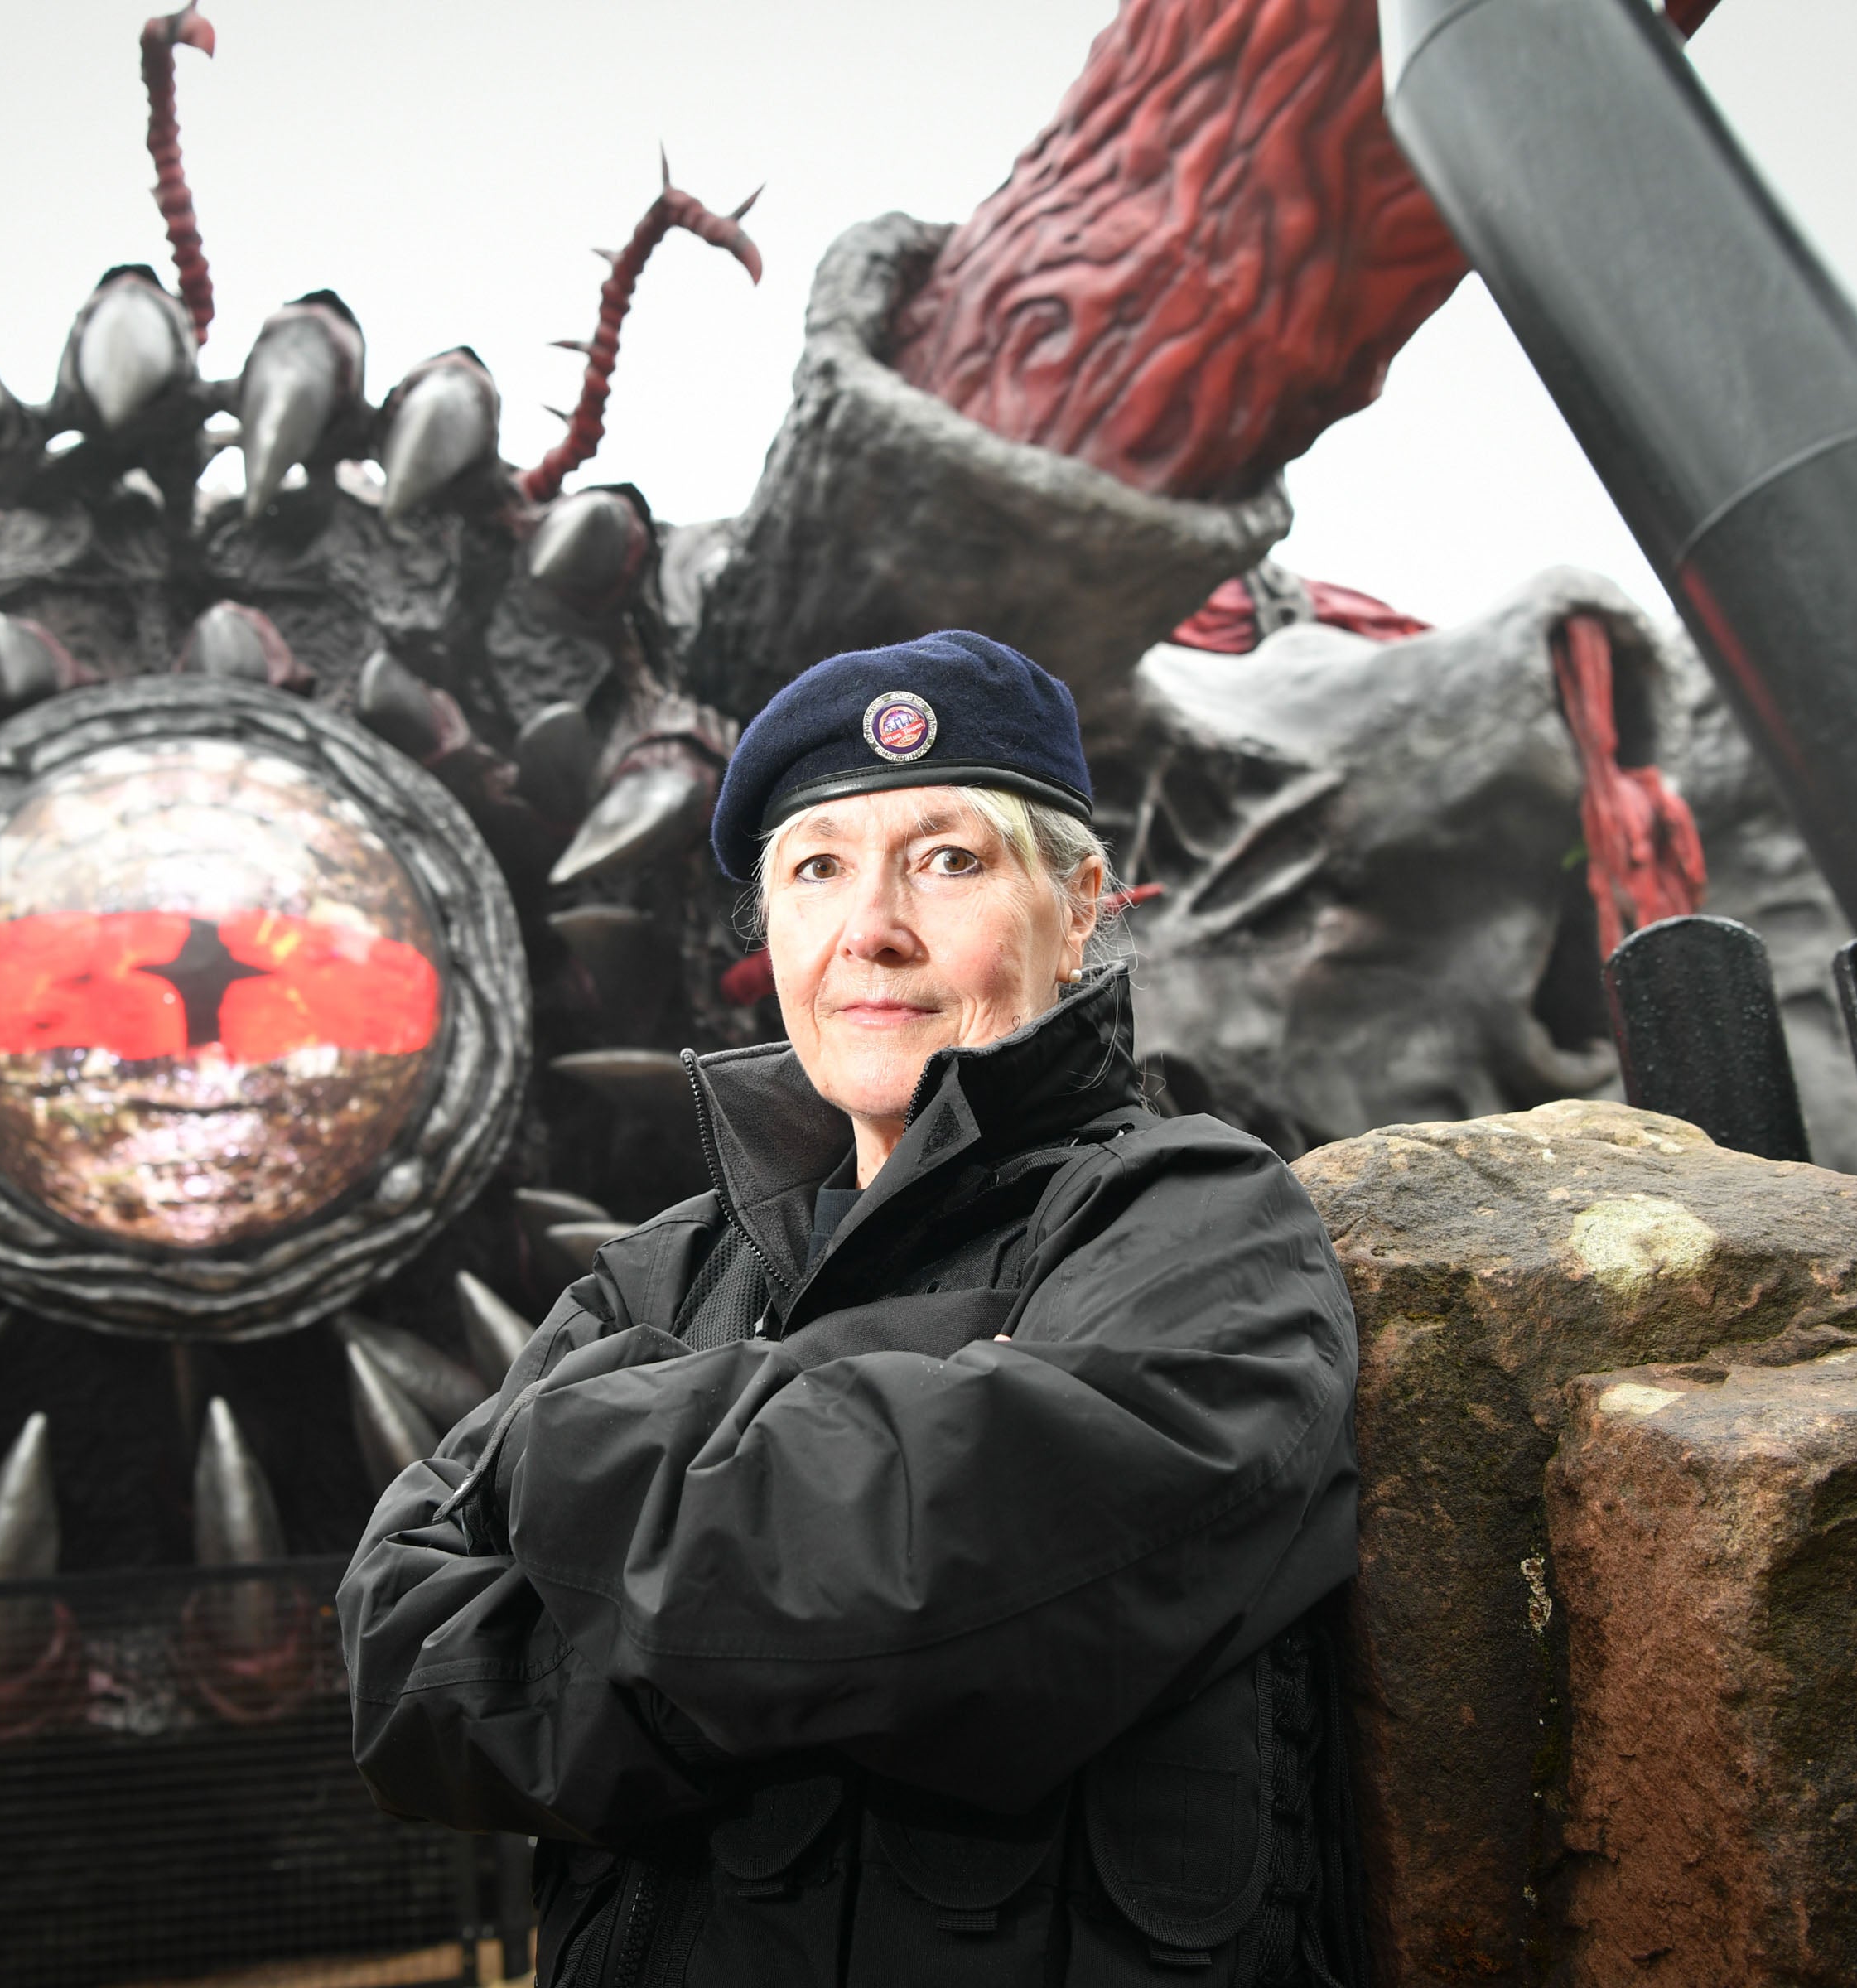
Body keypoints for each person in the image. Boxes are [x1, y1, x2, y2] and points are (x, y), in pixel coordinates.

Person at [340, 629, 1366, 1986]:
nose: (873, 926)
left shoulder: (1198, 1222)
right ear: (770, 935)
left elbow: (951, 1580)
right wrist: (813, 1542)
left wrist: (577, 1455)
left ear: (1079, 909)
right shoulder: (654, 1276)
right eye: (818, 868)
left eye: (949, 859)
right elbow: (401, 1663)